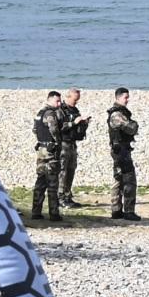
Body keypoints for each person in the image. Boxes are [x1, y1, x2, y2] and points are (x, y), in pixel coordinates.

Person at [28, 92, 67, 222]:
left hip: (41, 149)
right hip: (50, 151)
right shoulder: (50, 114)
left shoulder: (39, 113)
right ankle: (54, 213)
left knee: (40, 180)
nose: (59, 104)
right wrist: (58, 142)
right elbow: (54, 129)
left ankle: (36, 211)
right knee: (52, 181)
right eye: (57, 101)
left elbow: (35, 130)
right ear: (50, 100)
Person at [104, 88, 141, 220]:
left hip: (120, 149)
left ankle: (117, 210)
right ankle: (128, 211)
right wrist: (135, 124)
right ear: (118, 98)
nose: (127, 100)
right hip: (121, 151)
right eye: (125, 97)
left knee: (118, 179)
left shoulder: (118, 113)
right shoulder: (117, 114)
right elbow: (131, 128)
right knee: (128, 180)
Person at [53, 87, 89, 216]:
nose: (76, 103)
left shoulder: (74, 110)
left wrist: (83, 124)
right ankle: (60, 197)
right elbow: (58, 128)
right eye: (74, 100)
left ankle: (67, 196)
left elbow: (77, 128)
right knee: (62, 171)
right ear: (68, 96)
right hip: (63, 144)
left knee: (71, 169)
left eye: (77, 100)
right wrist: (73, 122)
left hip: (72, 143)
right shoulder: (60, 111)